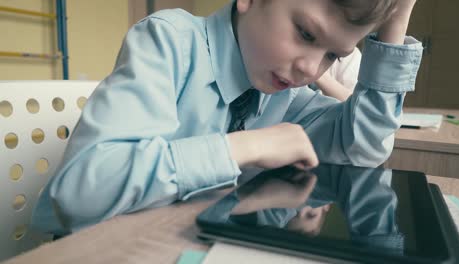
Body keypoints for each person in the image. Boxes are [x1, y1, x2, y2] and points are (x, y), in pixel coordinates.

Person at [32, 0, 423, 235]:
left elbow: (364, 148)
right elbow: (80, 195)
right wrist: (244, 146)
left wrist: (397, 20)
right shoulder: (167, 43)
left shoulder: (287, 96)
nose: (309, 68)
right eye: (305, 33)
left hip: (181, 242)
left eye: (332, 56)